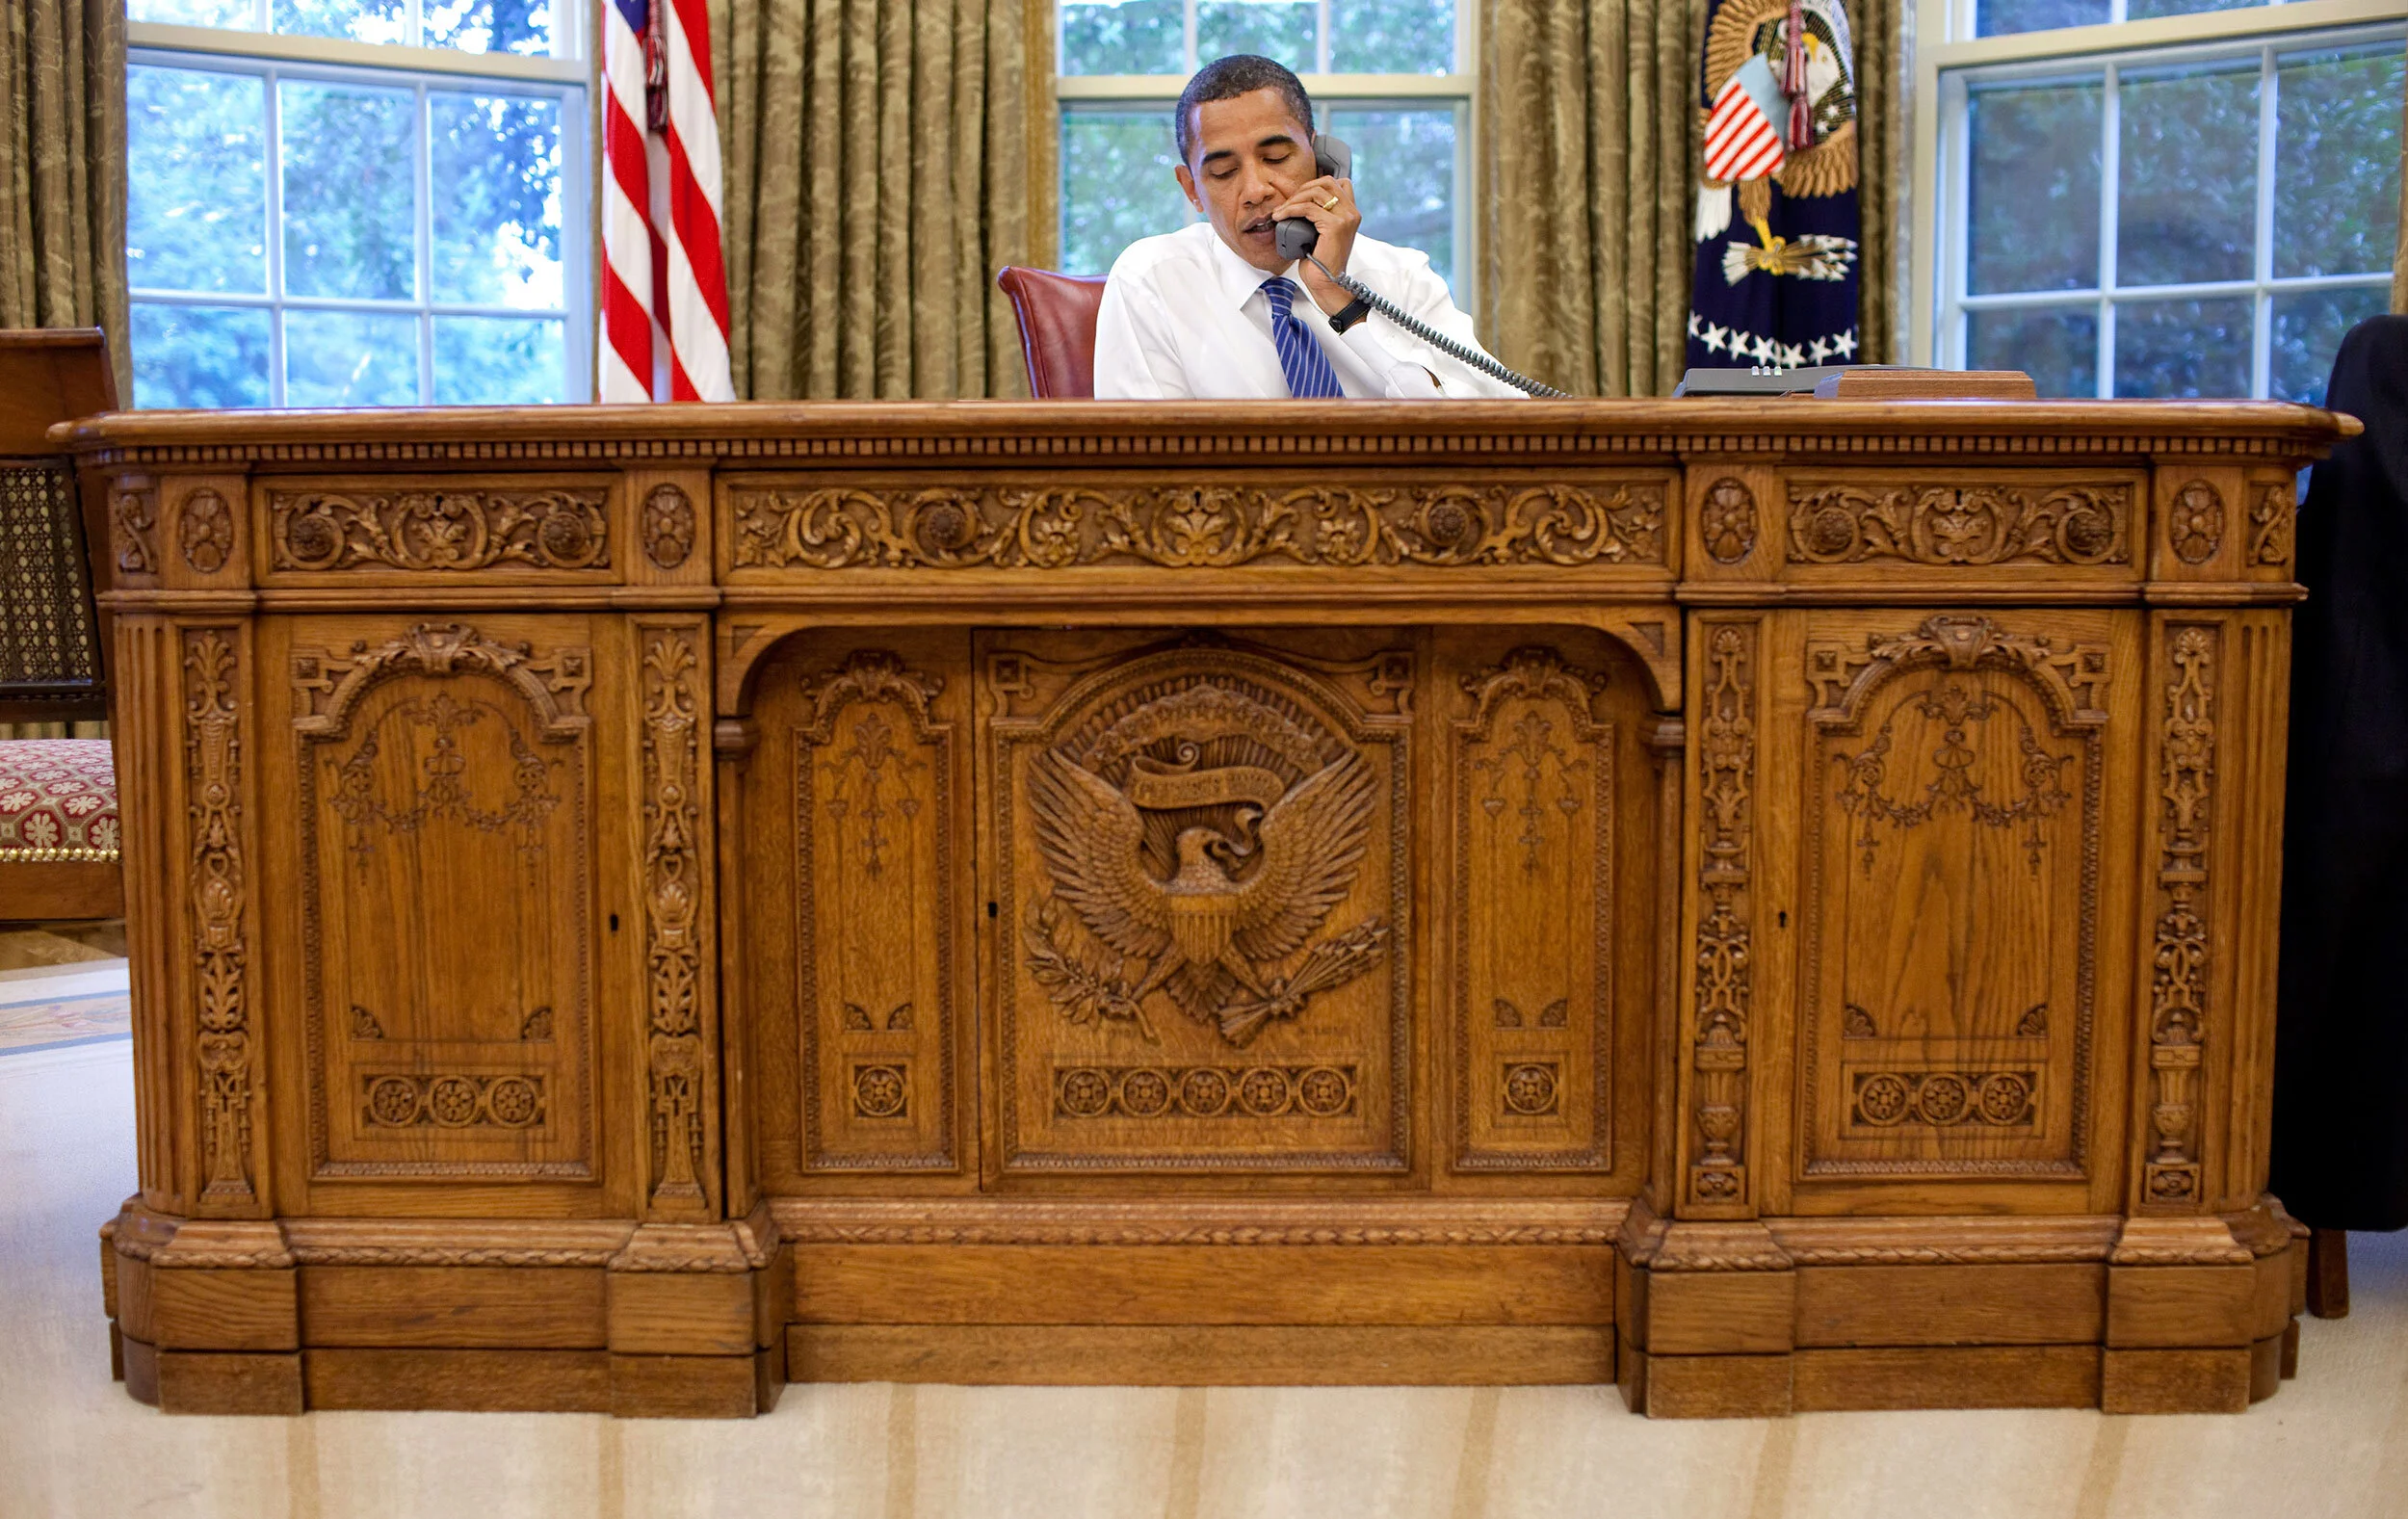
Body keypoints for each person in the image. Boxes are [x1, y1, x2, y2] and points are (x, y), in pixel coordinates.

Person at [1093, 54, 1526, 400]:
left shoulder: (1400, 277)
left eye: (1277, 159)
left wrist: (1344, 305)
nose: (1256, 190)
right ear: (1191, 188)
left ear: (1319, 156)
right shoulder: (1151, 281)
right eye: (1224, 171)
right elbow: (1145, 470)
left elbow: (1495, 432)